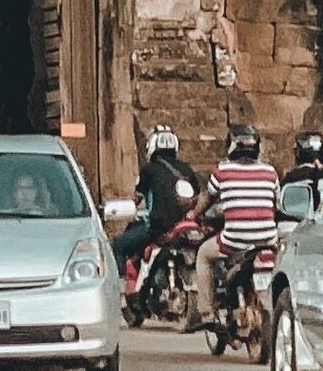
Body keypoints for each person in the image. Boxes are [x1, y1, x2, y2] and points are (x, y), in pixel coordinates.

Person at [198, 123, 282, 328]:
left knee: (203, 255)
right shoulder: (270, 172)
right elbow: (277, 204)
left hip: (234, 239)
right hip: (267, 240)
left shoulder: (221, 171)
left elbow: (207, 200)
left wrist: (193, 214)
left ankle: (206, 313)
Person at [118, 127, 200, 296]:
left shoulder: (149, 170)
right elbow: (197, 196)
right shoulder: (186, 169)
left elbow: (137, 200)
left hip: (158, 227)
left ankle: (122, 290)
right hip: (186, 227)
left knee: (118, 245)